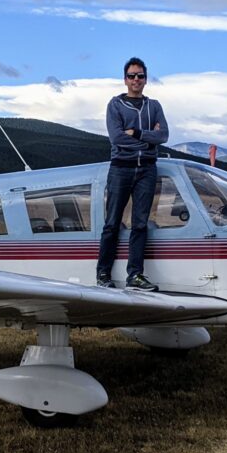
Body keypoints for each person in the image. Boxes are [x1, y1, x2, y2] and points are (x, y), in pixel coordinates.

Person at [95, 57, 168, 291]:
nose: (136, 80)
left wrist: (136, 133)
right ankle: (103, 274)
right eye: (131, 76)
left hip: (147, 170)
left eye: (140, 76)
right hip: (121, 168)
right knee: (112, 223)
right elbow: (116, 138)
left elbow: (164, 136)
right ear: (124, 79)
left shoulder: (154, 106)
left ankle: (135, 275)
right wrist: (148, 141)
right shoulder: (115, 105)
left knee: (140, 224)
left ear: (146, 79)